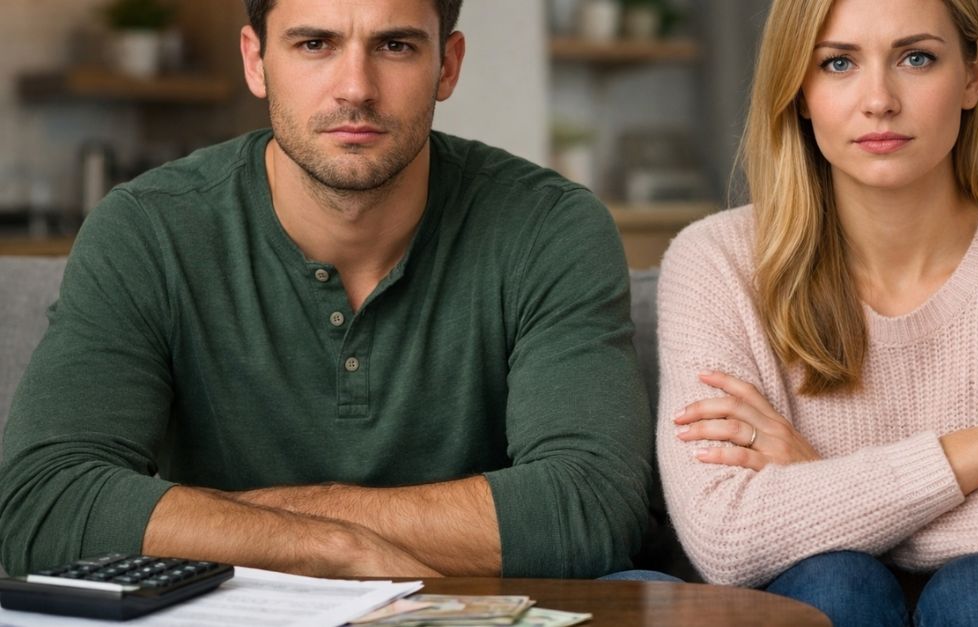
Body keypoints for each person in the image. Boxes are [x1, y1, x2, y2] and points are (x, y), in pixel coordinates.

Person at [0, 0, 652, 580]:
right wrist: (325, 546)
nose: (355, 88)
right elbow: (44, 501)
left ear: (447, 66)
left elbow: (590, 504)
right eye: (315, 44)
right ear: (256, 61)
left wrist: (274, 524)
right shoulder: (147, 230)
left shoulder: (550, 226)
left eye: (395, 45)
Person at [656, 0, 978, 624]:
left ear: (974, 75)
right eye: (839, 63)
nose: (879, 100)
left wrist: (825, 488)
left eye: (916, 58)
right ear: (798, 88)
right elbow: (726, 538)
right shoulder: (716, 262)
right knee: (836, 582)